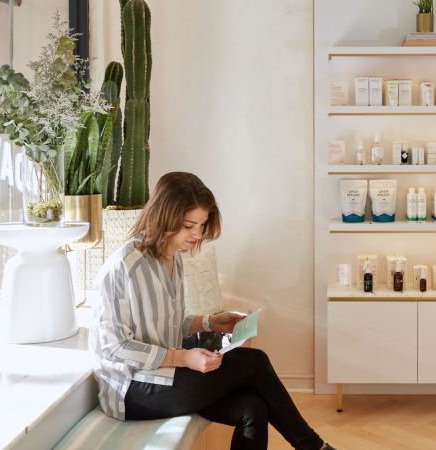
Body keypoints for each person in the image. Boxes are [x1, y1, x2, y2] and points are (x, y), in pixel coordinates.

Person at [90, 172, 335, 450]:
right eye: (189, 225)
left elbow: (164, 323)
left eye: (202, 225)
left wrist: (210, 322)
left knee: (253, 408)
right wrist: (183, 358)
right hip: (131, 388)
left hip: (163, 373)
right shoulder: (124, 267)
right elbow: (114, 347)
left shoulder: (173, 257)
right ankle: (313, 447)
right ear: (163, 217)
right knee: (255, 362)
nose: (198, 234)